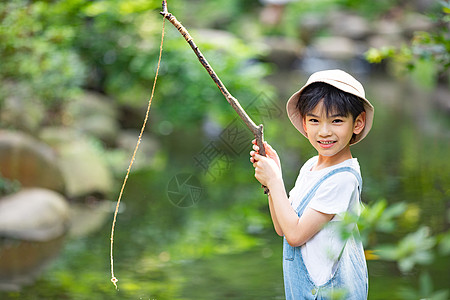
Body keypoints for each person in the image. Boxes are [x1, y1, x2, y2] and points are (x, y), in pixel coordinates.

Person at [250, 69, 374, 299]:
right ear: (305, 124)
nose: (324, 131)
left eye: (337, 121)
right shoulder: (310, 167)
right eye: (314, 120)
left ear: (357, 123)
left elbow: (297, 235)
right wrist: (272, 180)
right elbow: (284, 229)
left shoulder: (343, 178)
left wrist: (275, 181)